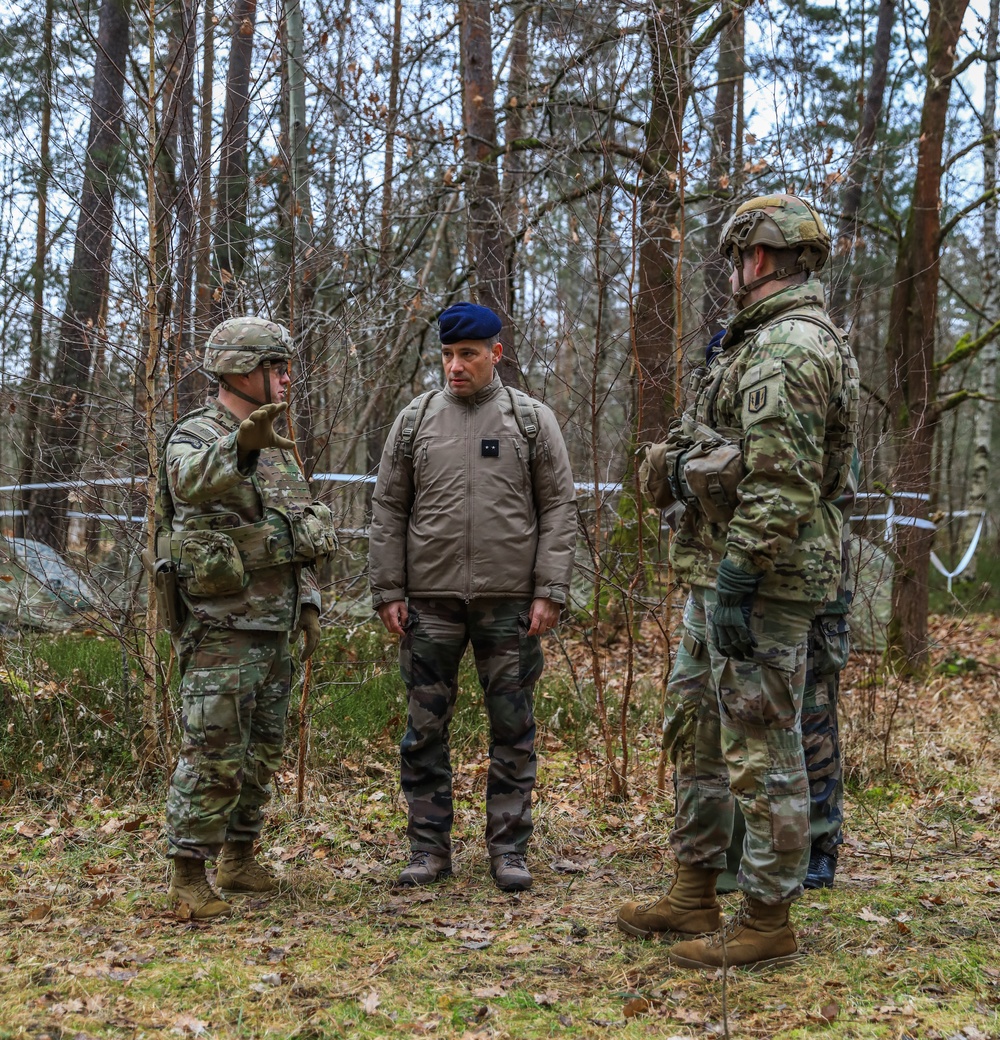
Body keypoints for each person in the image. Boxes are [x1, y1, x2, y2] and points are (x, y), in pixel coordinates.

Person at [618, 194, 859, 969]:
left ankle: (766, 919)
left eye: (734, 256)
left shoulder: (789, 346)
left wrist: (738, 576)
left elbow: (783, 484)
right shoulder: (749, 342)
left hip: (760, 579)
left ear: (756, 257)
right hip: (720, 573)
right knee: (698, 731)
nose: (730, 269)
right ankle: (694, 891)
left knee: (762, 746)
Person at [369, 302, 577, 892]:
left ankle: (509, 851)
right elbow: (388, 508)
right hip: (429, 602)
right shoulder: (415, 420)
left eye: (468, 355)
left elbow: (559, 508)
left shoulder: (530, 420)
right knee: (424, 730)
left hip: (509, 603)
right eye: (447, 355)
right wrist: (388, 589)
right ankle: (428, 849)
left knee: (512, 729)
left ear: (496, 355)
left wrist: (549, 590)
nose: (455, 367)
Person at [156, 316, 337, 920]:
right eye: (277, 367)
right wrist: (240, 446)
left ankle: (238, 857)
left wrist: (307, 600)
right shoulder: (196, 435)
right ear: (241, 370)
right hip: (221, 628)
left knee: (261, 751)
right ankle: (188, 877)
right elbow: (188, 482)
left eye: (286, 367)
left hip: (274, 623)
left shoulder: (277, 447)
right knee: (213, 750)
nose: (287, 378)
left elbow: (297, 529)